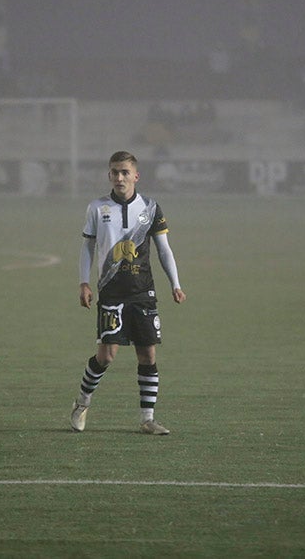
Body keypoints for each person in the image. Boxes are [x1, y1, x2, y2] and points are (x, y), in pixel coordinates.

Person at [70, 151, 187, 435]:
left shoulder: (150, 207)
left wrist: (175, 283)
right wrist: (84, 282)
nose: (119, 177)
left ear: (136, 176)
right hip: (110, 291)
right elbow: (87, 247)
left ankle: (148, 419)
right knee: (106, 356)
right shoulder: (97, 207)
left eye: (124, 172)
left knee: (147, 355)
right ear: (109, 175)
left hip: (142, 291)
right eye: (114, 172)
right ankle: (82, 402)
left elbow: (164, 249)